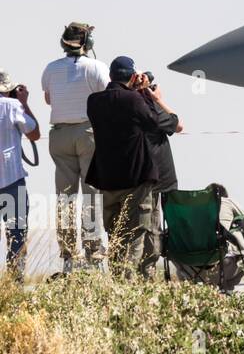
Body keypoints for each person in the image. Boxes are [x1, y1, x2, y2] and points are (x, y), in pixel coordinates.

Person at [85, 56, 179, 277]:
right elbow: (160, 123)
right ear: (134, 76)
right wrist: (147, 94)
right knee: (135, 236)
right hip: (135, 179)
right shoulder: (134, 101)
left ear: (110, 76)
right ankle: (128, 290)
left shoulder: (93, 101)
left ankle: (118, 282)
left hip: (107, 179)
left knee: (115, 235)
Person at [41, 22, 110, 271]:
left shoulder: (50, 68)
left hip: (59, 134)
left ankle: (69, 254)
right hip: (87, 131)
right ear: (87, 44)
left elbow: (49, 98)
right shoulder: (96, 67)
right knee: (91, 194)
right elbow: (106, 96)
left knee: (65, 197)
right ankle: (92, 252)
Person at [171, 184, 244, 293]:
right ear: (224, 196)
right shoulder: (226, 202)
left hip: (190, 267)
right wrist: (236, 230)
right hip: (223, 266)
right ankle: (227, 288)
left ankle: (189, 291)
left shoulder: (190, 209)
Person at [140, 72, 183, 278]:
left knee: (144, 226)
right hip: (158, 180)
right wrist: (159, 100)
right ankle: (147, 273)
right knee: (154, 228)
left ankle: (143, 272)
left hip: (138, 178)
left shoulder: (129, 109)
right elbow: (178, 124)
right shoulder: (152, 110)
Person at [0, 71, 40, 277]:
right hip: (11, 180)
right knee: (16, 235)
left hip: (10, 178)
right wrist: (23, 102)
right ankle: (14, 282)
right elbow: (34, 133)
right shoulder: (13, 106)